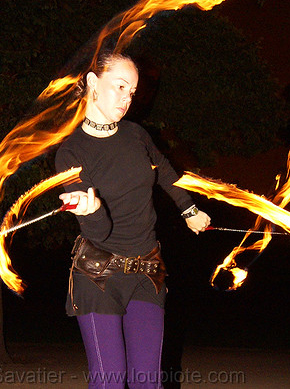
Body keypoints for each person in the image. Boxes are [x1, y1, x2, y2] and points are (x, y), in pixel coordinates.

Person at [55, 51, 210, 389]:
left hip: (147, 270)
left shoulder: (136, 135)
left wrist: (188, 209)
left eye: (132, 92)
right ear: (93, 83)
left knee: (148, 382)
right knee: (110, 381)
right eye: (120, 87)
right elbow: (100, 230)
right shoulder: (71, 152)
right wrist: (89, 209)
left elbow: (165, 171)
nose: (127, 99)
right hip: (99, 275)